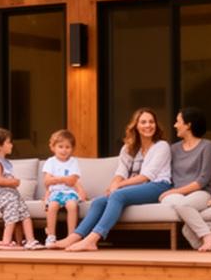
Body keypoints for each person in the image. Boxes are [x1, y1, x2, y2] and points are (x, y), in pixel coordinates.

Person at [59, 108, 172, 252]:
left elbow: (147, 176)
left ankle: (92, 240)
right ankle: (74, 237)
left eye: (151, 122)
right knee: (99, 201)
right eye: (143, 122)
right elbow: (121, 171)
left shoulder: (161, 146)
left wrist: (118, 186)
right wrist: (113, 185)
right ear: (136, 126)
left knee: (118, 195)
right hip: (135, 188)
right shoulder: (128, 148)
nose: (148, 125)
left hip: (158, 186)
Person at [156, 107, 211, 251]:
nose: (175, 125)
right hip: (179, 194)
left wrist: (173, 191)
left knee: (183, 208)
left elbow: (202, 181)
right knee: (172, 206)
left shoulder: (207, 146)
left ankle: (206, 236)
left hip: (202, 192)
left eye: (178, 121)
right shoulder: (174, 149)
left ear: (188, 125)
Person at [0, 127, 41, 250]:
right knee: (12, 216)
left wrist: (13, 183)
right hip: (3, 195)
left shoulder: (6, 162)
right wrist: (13, 182)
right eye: (9, 142)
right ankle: (6, 242)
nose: (11, 145)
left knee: (25, 215)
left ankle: (30, 241)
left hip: (12, 194)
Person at [40, 129, 87, 247]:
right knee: (52, 206)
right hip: (55, 192)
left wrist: (56, 179)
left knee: (72, 205)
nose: (64, 150)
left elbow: (72, 181)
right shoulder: (50, 162)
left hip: (69, 192)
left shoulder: (73, 162)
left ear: (72, 149)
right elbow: (47, 181)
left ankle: (71, 236)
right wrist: (64, 179)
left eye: (67, 147)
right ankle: (51, 235)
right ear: (53, 147)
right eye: (60, 147)